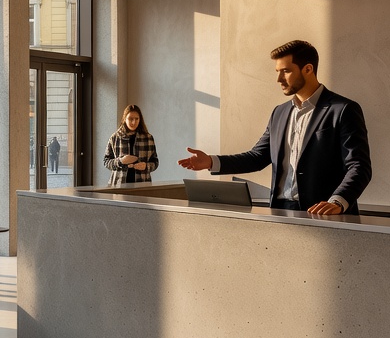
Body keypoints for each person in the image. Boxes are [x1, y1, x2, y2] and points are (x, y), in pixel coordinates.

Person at [178, 39, 371, 214]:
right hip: (280, 211)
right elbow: (257, 157)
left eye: (286, 71)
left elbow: (358, 166)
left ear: (308, 69)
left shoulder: (343, 110)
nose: (278, 79)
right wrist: (211, 161)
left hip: (324, 214)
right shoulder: (279, 112)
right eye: (277, 72)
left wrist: (338, 202)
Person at [103, 105, 159, 186]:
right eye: (130, 119)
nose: (134, 122)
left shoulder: (148, 138)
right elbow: (106, 162)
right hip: (119, 185)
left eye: (137, 119)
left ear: (140, 119)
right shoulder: (115, 138)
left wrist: (146, 166)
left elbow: (155, 162)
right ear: (124, 119)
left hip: (142, 185)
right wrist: (121, 161)